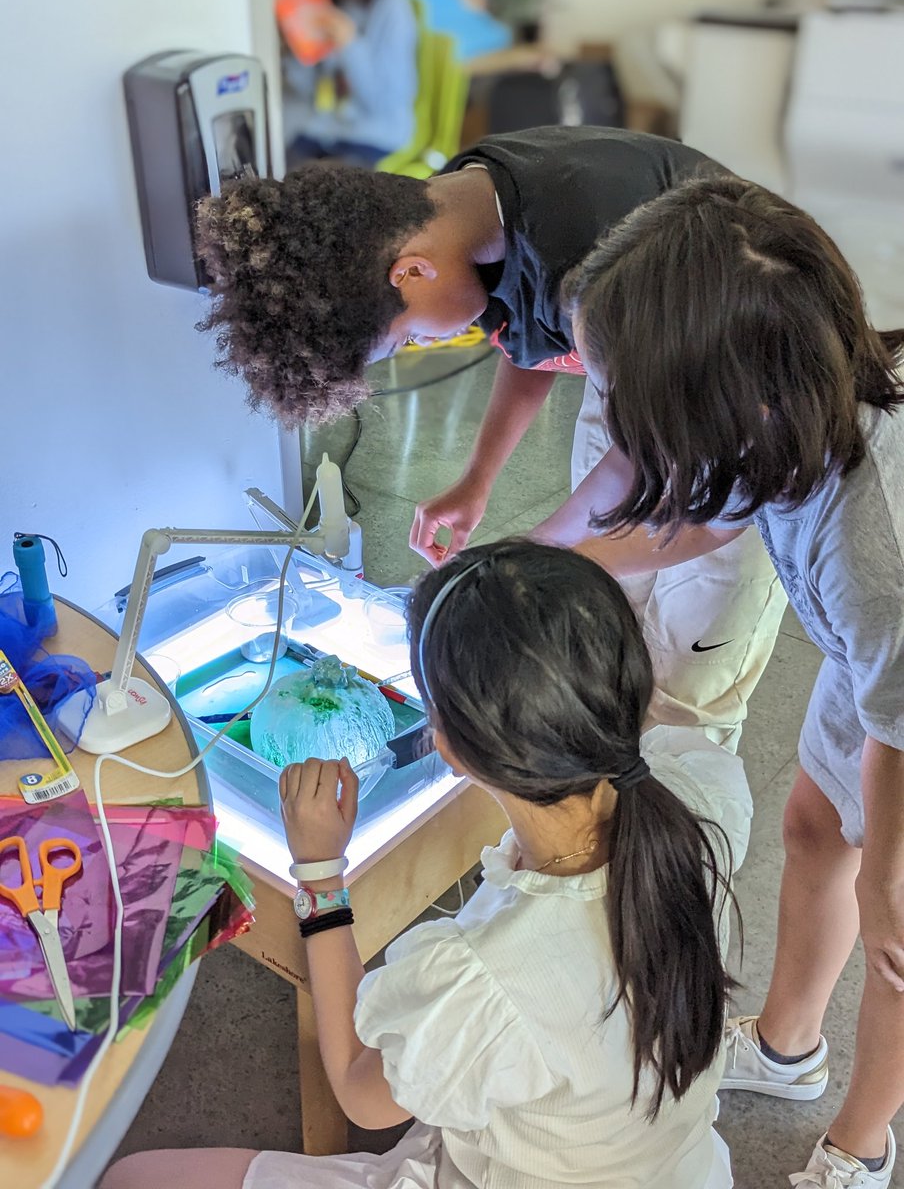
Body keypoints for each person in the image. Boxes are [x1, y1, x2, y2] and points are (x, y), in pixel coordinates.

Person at [100, 539, 753, 1189]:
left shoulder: (482, 976)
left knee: (130, 1179)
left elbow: (360, 1090)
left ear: (445, 748)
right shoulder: (703, 791)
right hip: (673, 1168)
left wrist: (321, 874)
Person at [195, 126, 787, 753]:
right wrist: (481, 481)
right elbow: (534, 340)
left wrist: (547, 557)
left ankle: (670, 798)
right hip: (637, 380)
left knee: (684, 685)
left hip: (746, 410)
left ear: (412, 271)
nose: (424, 345)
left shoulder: (594, 257)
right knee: (612, 616)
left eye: (408, 339)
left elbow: (704, 507)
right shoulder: (460, 209)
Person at [562, 178, 904, 1187]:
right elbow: (709, 515)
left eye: (629, 402)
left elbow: (898, 719)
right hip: (875, 665)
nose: (614, 420)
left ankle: (862, 1145)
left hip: (898, 688)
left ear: (728, 400)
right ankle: (790, 1052)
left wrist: (887, 877)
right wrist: (555, 561)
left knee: (897, 940)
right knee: (814, 827)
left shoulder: (871, 549)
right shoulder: (784, 409)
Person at [281, 0, 417, 169]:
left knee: (316, 179)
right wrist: (296, 51)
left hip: (372, 138)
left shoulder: (395, 14)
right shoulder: (345, 1)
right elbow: (310, 88)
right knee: (274, 164)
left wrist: (349, 43)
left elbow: (380, 102)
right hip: (329, 131)